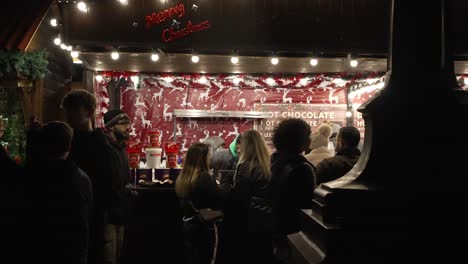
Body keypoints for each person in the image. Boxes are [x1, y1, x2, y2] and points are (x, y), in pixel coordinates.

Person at [62, 89, 119, 264]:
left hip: (92, 217)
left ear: (88, 111)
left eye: (73, 109)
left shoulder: (100, 145)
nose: (68, 115)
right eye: (67, 110)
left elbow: (107, 185)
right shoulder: (72, 141)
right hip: (75, 216)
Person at [26, 121, 93, 264]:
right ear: (69, 146)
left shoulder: (35, 176)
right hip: (72, 251)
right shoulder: (81, 178)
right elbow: (86, 219)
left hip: (39, 250)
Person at [270, 118, 317, 262]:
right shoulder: (303, 169)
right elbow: (308, 207)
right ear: (301, 140)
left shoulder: (275, 162)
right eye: (308, 135)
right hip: (294, 237)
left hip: (276, 235)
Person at [227, 129, 273, 263]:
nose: (238, 148)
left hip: (249, 221)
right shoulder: (269, 164)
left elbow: (240, 198)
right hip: (266, 220)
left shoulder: (246, 166)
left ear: (246, 146)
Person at [175, 142, 223, 264]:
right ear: (203, 159)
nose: (209, 159)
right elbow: (218, 199)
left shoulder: (183, 178)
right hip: (204, 227)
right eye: (208, 156)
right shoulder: (204, 178)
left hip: (188, 225)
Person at [103, 109, 138, 264]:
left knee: (117, 256)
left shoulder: (121, 148)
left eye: (128, 123)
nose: (128, 127)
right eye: (123, 124)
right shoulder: (104, 149)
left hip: (121, 213)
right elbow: (105, 183)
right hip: (108, 215)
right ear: (110, 127)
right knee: (108, 258)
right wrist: (124, 190)